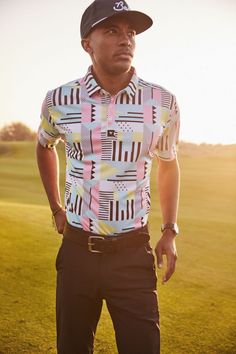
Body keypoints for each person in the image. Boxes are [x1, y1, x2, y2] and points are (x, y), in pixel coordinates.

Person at [36, 0, 180, 353]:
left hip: (133, 253)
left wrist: (169, 229)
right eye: (112, 30)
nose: (126, 39)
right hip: (77, 253)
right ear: (87, 42)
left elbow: (168, 162)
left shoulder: (162, 101)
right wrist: (56, 208)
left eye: (131, 32)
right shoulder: (59, 100)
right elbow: (43, 146)